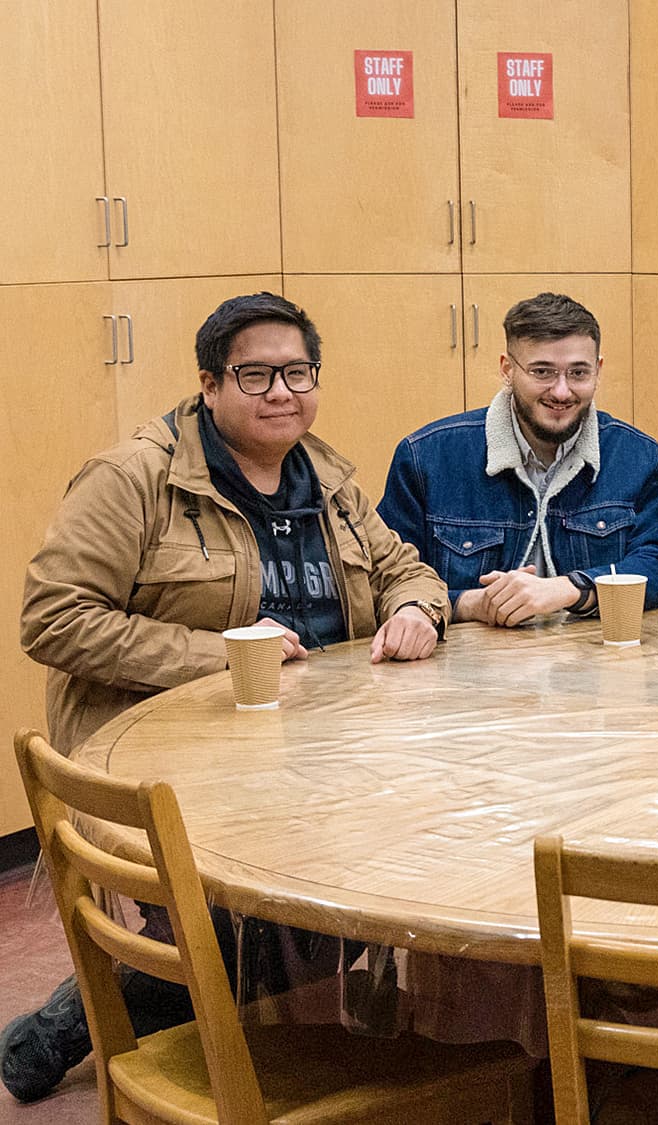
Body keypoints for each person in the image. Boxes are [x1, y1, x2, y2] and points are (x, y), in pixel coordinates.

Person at [8, 292, 448, 1102]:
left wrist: (418, 607)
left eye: (297, 372)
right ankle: (74, 1024)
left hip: (320, 750)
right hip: (177, 750)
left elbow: (405, 567)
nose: (282, 392)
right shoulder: (133, 479)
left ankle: (268, 1000)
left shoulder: (330, 478)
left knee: (396, 857)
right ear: (210, 384)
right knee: (227, 922)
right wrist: (214, 655)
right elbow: (53, 618)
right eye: (256, 373)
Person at [378, 292, 658, 622]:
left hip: (596, 663)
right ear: (508, 369)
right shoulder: (427, 458)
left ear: (598, 370)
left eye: (578, 373)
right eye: (542, 372)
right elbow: (387, 581)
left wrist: (572, 588)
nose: (562, 391)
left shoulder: (635, 455)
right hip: (465, 665)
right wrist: (472, 604)